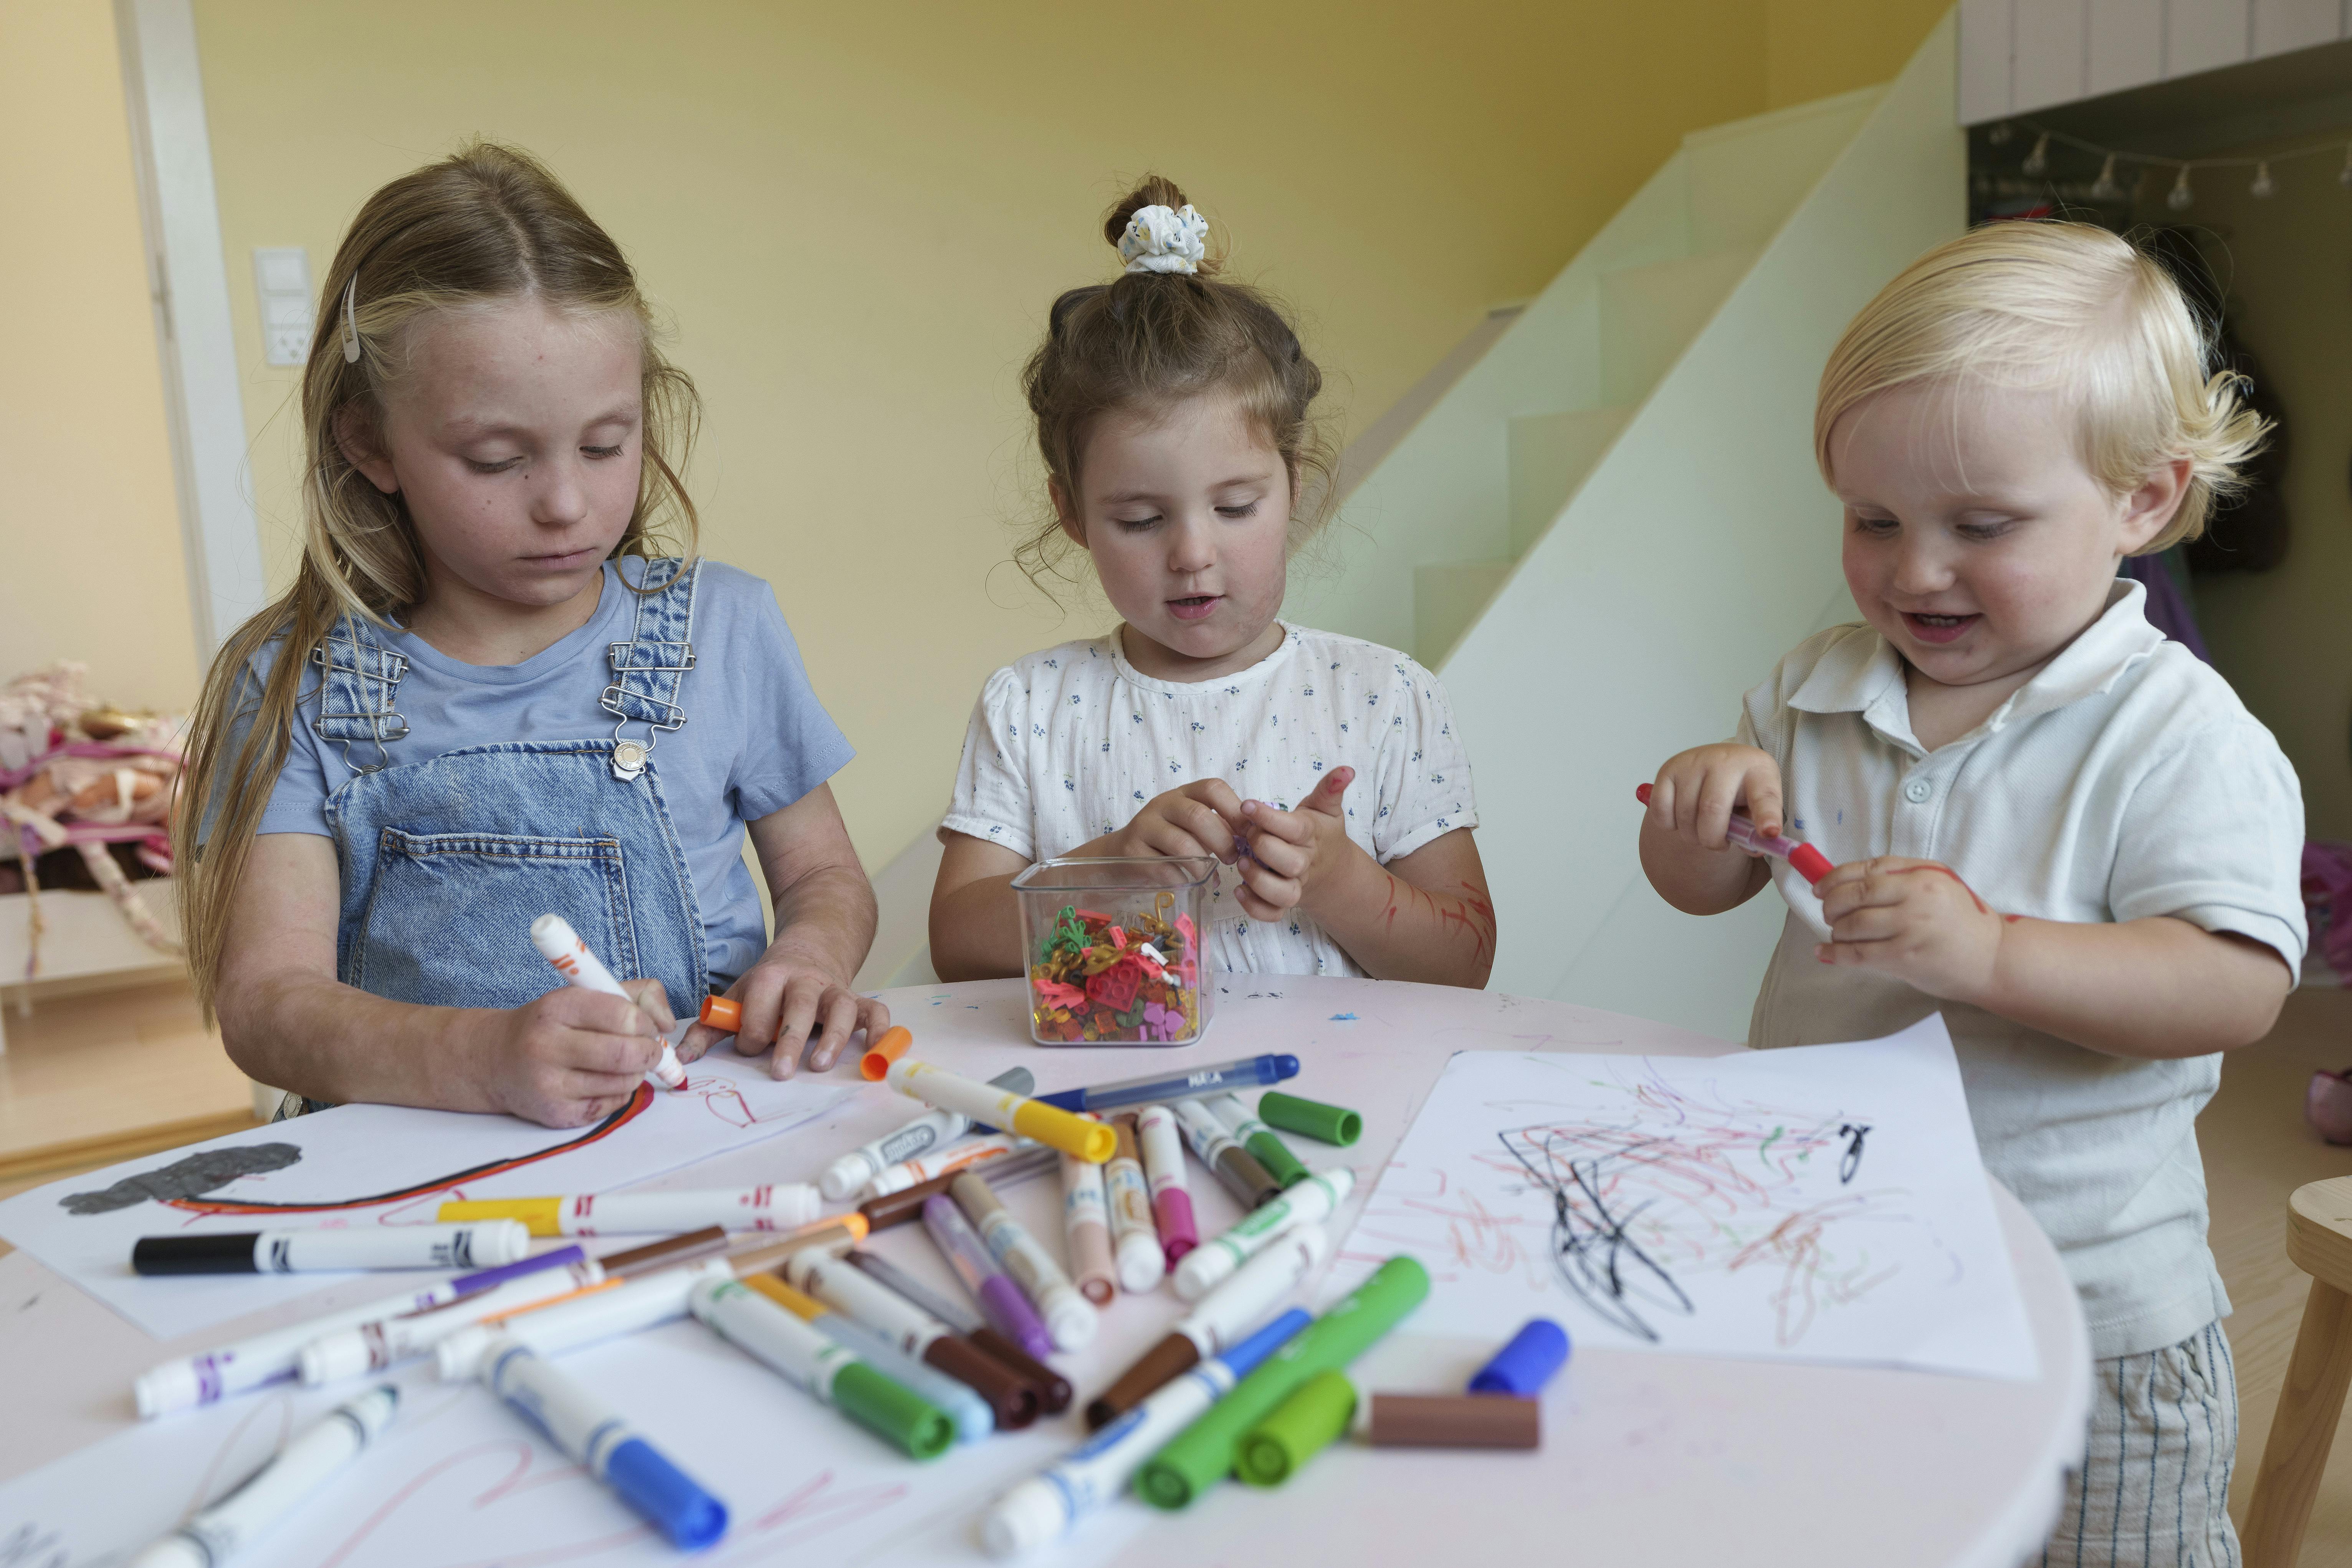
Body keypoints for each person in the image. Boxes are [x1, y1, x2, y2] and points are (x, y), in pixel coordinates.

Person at [1638, 221, 2303, 1566]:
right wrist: (1700, 811)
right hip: (1837, 1268)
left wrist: (1990, 951)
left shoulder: (2175, 731)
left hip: (2086, 1299)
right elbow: (1698, 891)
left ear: (2143, 502)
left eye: (1978, 526)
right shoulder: (1809, 688)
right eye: (1870, 521)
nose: (1913, 570)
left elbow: (2235, 986)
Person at [177, 144, 881, 1128]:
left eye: (606, 444)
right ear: (370, 442)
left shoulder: (724, 628)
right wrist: (480, 1056)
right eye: (497, 458)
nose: (565, 503)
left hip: (690, 1140)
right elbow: (265, 1007)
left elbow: (823, 877)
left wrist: (809, 959)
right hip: (417, 1181)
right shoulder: (292, 682)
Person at [929, 177, 1493, 990]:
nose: (1193, 553)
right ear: (1073, 513)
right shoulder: (1030, 707)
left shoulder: (1388, 696)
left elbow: (1468, 962)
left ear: (1293, 486)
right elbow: (957, 942)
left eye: (1234, 506)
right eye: (1139, 520)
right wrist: (1108, 868)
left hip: (1345, 1100)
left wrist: (1342, 883)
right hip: (1112, 1104)